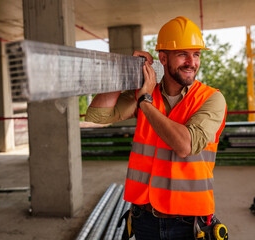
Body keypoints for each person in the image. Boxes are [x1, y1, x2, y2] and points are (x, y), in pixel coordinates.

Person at [85, 16, 227, 240]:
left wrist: (145, 103)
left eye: (196, 54)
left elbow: (185, 145)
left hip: (188, 223)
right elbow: (97, 115)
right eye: (182, 54)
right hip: (144, 219)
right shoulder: (146, 92)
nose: (192, 61)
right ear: (163, 57)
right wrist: (123, 71)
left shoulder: (211, 99)